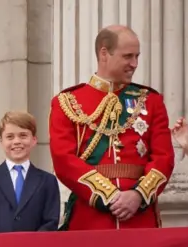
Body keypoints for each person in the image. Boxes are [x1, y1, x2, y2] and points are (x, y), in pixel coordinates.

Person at [49, 25, 175, 230]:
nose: (134, 64)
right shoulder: (67, 102)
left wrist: (138, 195)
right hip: (90, 219)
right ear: (104, 53)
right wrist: (109, 196)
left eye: (137, 56)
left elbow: (164, 157)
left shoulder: (150, 100)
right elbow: (64, 160)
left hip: (140, 219)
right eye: (127, 56)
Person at [0, 111, 60, 233]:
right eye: (10, 137)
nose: (17, 141)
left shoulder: (48, 180)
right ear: (1, 141)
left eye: (23, 135)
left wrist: (30, 246)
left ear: (34, 140)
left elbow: (50, 221)